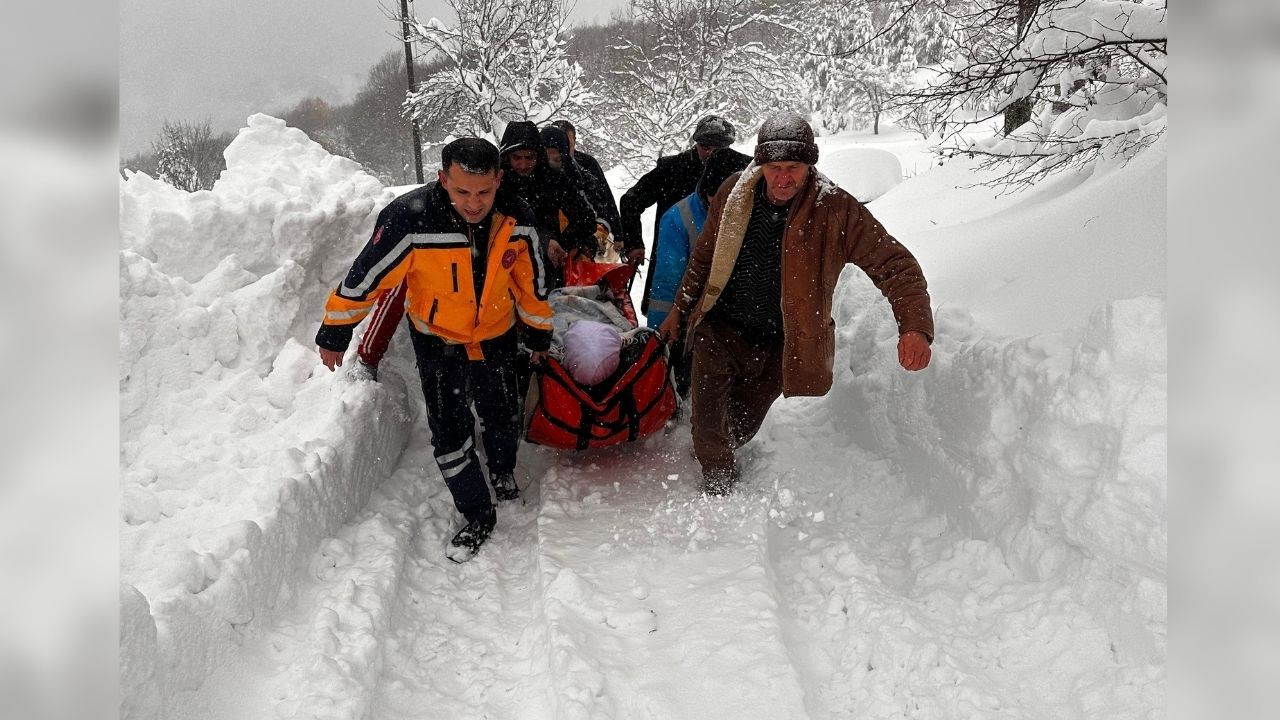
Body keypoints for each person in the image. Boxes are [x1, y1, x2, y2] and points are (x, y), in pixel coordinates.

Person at [658, 112, 934, 496]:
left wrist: (915, 327)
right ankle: (717, 497)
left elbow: (895, 264)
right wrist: (679, 310)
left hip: (781, 343)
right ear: (760, 165)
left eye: (794, 167)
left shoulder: (834, 209)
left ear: (810, 166)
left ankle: (721, 453)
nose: (783, 178)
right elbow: (703, 259)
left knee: (737, 427)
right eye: (774, 167)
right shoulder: (732, 194)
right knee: (708, 427)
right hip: (719, 330)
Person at [314, 137, 553, 562]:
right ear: (443, 179)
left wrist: (538, 331)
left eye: (484, 192)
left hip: (496, 335)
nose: (474, 203)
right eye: (462, 191)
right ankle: (477, 511)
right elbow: (367, 275)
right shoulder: (411, 219)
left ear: (499, 180)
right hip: (437, 339)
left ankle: (502, 471)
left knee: (501, 413)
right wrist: (336, 329)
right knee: (449, 430)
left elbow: (531, 284)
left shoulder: (519, 218)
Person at [645, 147, 752, 399]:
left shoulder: (750, 211)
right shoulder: (678, 219)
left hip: (736, 321)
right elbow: (667, 281)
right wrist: (660, 337)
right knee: (687, 383)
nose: (721, 202)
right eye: (716, 195)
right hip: (690, 317)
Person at [619, 114, 737, 313]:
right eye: (705, 147)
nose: (711, 154)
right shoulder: (672, 169)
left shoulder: (739, 171)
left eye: (718, 150)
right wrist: (634, 243)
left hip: (716, 263)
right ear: (696, 144)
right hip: (671, 259)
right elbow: (631, 200)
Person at [497, 120, 598, 288]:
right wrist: (542, 240)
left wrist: (561, 242)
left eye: (529, 157)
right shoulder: (497, 183)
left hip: (548, 270)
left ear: (538, 155)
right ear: (507, 157)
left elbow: (586, 219)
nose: (523, 165)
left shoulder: (552, 179)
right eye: (517, 158)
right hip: (505, 268)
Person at [539, 124, 621, 257]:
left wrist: (617, 234)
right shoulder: (536, 175)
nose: (551, 164)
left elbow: (604, 204)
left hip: (585, 248)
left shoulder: (586, 168)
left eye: (570, 144)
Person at [551, 119, 616, 222]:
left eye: (569, 145)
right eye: (561, 147)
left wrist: (618, 234)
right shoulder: (538, 166)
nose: (565, 152)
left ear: (575, 141)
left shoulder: (587, 164)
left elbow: (606, 200)